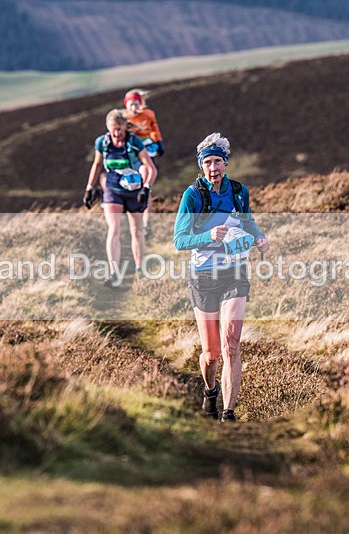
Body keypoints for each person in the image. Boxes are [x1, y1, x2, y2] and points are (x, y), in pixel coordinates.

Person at [173, 133, 269, 422]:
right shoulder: (193, 195)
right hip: (203, 276)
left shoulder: (239, 191)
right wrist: (208, 235)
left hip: (235, 272)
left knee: (231, 344)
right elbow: (179, 240)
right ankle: (210, 389)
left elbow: (247, 221)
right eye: (207, 162)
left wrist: (259, 238)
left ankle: (229, 412)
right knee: (212, 353)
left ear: (225, 163)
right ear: (201, 166)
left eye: (217, 161)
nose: (213, 167)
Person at [84, 109, 157, 286]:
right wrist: (89, 187)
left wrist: (146, 189)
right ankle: (114, 273)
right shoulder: (102, 143)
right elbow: (97, 164)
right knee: (114, 228)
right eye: (113, 129)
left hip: (134, 190)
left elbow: (152, 169)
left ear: (125, 127)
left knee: (136, 230)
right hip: (112, 190)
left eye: (119, 129)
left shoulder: (134, 142)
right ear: (108, 128)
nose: (116, 133)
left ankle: (140, 270)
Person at [123, 89, 164, 234]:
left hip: (146, 152)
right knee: (131, 187)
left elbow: (154, 128)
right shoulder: (123, 118)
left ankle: (146, 223)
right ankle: (132, 222)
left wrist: (158, 141)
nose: (134, 107)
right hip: (130, 156)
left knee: (145, 186)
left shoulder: (148, 114)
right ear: (126, 105)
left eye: (136, 104)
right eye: (131, 104)